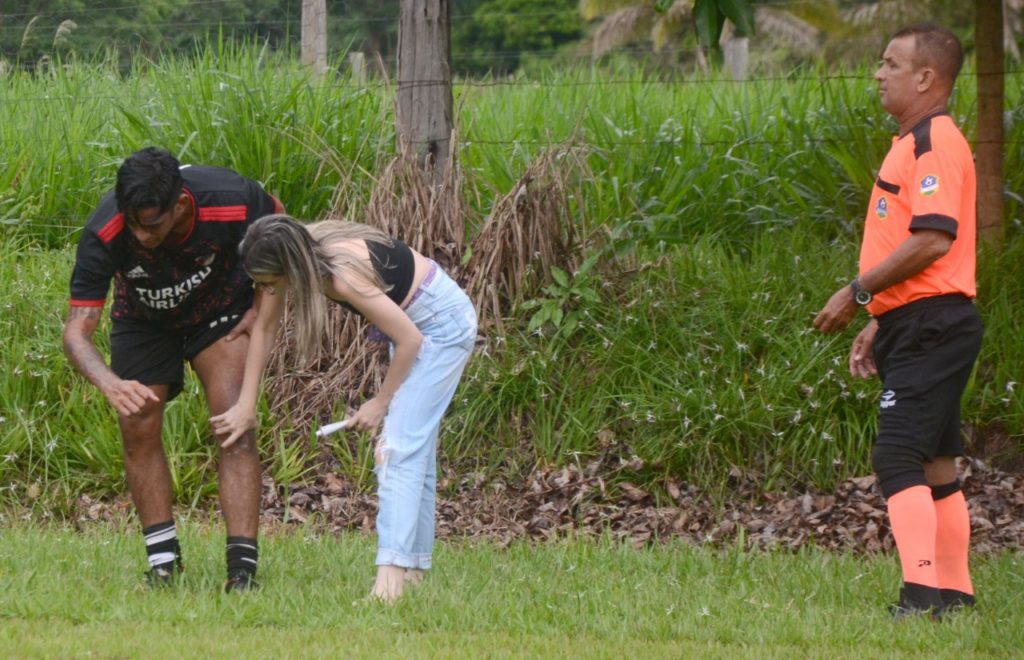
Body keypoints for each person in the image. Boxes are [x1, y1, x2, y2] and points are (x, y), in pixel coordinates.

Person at [210, 214, 477, 603]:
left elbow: (410, 340)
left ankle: (388, 588)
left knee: (395, 451)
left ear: (291, 268)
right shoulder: (303, 251)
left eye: (269, 282)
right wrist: (246, 403)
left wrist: (380, 402)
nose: (266, 290)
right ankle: (413, 575)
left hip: (440, 327)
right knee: (412, 453)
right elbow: (264, 328)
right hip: (419, 324)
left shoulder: (342, 276)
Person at [813, 25, 982, 618]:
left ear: (926, 78)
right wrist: (881, 317)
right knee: (935, 462)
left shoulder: (934, 144)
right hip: (921, 320)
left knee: (897, 456)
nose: (878, 74)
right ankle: (954, 595)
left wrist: (857, 292)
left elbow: (934, 239)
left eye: (890, 64)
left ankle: (919, 596)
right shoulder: (913, 142)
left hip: (934, 326)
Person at [63, 146, 283, 592]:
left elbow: (280, 236)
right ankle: (163, 564)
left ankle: (242, 572)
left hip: (220, 312)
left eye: (152, 226)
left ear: (180, 204)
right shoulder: (105, 230)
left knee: (233, 423)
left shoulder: (233, 197)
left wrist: (261, 304)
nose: (140, 236)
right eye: (133, 225)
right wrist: (108, 382)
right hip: (143, 319)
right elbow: (75, 332)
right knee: (137, 422)